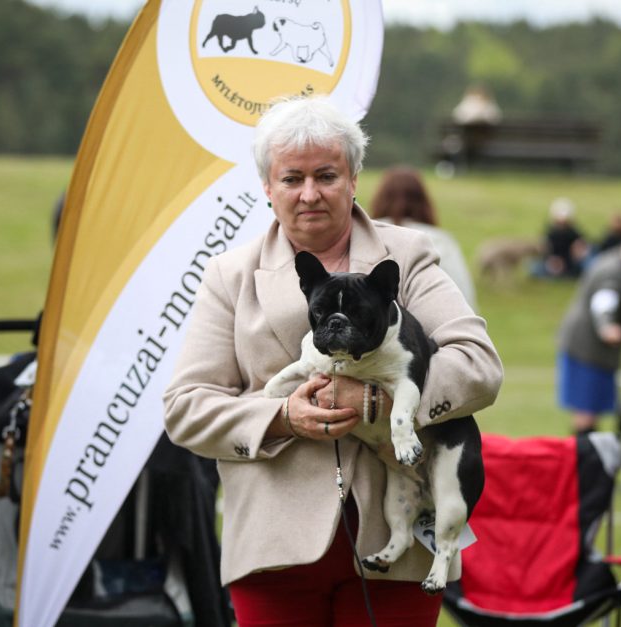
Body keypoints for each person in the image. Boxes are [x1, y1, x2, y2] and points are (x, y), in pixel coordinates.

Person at [162, 96, 503, 627]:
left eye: (326, 175)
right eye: (291, 178)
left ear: (353, 178)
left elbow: (478, 366)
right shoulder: (229, 275)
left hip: (396, 549)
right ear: (267, 186)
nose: (310, 193)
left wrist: (378, 403)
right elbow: (186, 407)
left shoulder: (407, 254)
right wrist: (282, 416)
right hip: (271, 545)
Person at [555, 233, 621, 433]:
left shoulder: (616, 261)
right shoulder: (614, 273)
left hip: (592, 349)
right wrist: (607, 326)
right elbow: (604, 301)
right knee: (586, 411)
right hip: (587, 349)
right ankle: (583, 451)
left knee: (591, 409)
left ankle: (587, 448)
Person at [368, 165, 478, 310]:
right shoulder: (441, 241)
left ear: (380, 199)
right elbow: (465, 299)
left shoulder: (367, 235)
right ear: (424, 201)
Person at [533, 197, 589, 279]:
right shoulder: (550, 233)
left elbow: (581, 250)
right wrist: (552, 261)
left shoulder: (574, 233)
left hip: (570, 262)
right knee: (536, 268)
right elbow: (545, 250)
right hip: (553, 262)